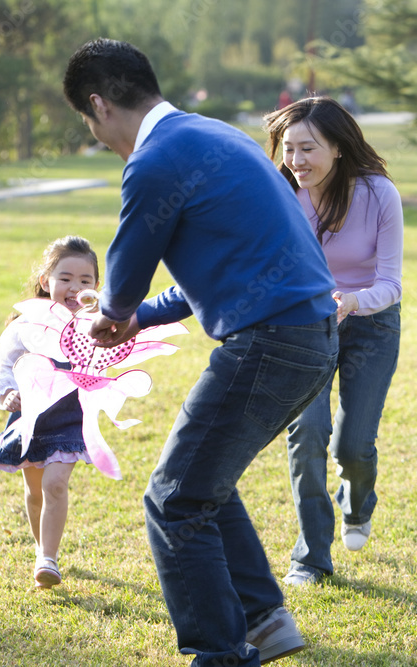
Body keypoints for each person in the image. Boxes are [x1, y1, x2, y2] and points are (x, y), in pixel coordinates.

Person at [63, 38, 339, 667]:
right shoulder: (220, 137)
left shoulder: (155, 159)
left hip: (270, 341)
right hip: (310, 335)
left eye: (88, 120)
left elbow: (128, 268)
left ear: (100, 105)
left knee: (174, 499)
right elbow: (214, 271)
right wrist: (132, 318)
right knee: (202, 483)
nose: (98, 134)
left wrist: (108, 315)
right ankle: (266, 622)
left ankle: (219, 653)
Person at [263, 96, 403, 586]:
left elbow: (391, 284)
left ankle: (357, 500)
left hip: (371, 322)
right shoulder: (279, 194)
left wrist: (351, 301)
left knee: (354, 446)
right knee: (307, 437)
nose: (296, 161)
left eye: (308, 148)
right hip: (305, 326)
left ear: (339, 148)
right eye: (288, 149)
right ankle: (311, 557)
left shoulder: (379, 193)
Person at [0, 236, 100, 589]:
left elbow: (107, 364)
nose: (74, 288)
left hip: (70, 419)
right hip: (30, 419)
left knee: (54, 484)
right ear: (46, 280)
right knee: (35, 492)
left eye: (85, 281)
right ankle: (41, 549)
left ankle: (48, 558)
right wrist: (6, 393)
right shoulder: (25, 325)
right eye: (65, 278)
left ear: (96, 288)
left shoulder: (96, 325)